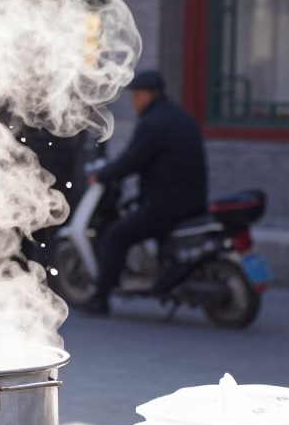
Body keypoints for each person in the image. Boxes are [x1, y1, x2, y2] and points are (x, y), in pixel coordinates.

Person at [83, 70, 208, 315]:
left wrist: (104, 175)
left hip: (166, 205)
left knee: (115, 236)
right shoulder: (182, 117)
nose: (133, 102)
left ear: (144, 95)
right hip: (193, 202)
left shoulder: (152, 124)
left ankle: (100, 298)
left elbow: (132, 160)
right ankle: (161, 280)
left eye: (134, 96)